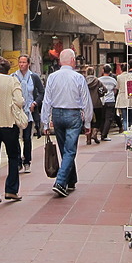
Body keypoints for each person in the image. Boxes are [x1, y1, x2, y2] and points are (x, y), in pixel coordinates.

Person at [41, 49, 92, 197]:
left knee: (65, 149)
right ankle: (61, 182)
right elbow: (86, 101)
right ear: (73, 61)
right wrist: (87, 122)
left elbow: (47, 100)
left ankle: (71, 180)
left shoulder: (52, 77)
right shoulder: (78, 77)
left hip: (57, 114)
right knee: (70, 150)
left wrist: (45, 122)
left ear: (59, 61)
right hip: (73, 114)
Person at [0, 57, 24, 204]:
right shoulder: (13, 81)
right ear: (8, 70)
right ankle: (11, 189)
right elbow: (19, 101)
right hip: (9, 123)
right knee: (13, 157)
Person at [12, 55, 43, 171]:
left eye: (24, 62)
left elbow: (41, 92)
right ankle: (18, 161)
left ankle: (27, 161)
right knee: (15, 137)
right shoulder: (13, 76)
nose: (21, 64)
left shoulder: (34, 77)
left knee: (27, 137)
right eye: (20, 62)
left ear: (28, 64)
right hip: (16, 111)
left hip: (29, 111)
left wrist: (35, 103)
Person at [115, 59, 132, 128]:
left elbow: (117, 87)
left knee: (125, 118)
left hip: (122, 98)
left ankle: (125, 132)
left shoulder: (119, 77)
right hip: (131, 97)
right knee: (131, 118)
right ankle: (131, 131)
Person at [84, 67, 104, 145]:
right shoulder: (97, 81)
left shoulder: (83, 81)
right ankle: (95, 132)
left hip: (87, 103)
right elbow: (103, 90)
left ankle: (88, 139)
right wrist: (99, 94)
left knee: (87, 121)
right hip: (97, 103)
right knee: (99, 119)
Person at [98, 64, 118, 140]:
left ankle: (101, 131)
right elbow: (115, 90)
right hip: (110, 100)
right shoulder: (113, 80)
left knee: (102, 117)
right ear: (110, 71)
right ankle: (104, 134)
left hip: (102, 100)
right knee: (108, 118)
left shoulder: (99, 80)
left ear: (103, 70)